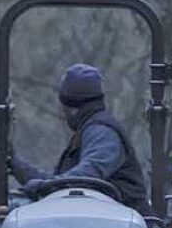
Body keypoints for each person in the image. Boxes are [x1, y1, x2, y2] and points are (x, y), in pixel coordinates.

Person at [10, 63, 151, 214]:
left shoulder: (102, 132)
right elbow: (60, 183)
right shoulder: (86, 132)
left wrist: (42, 186)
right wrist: (15, 164)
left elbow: (85, 176)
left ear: (71, 108)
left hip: (122, 226)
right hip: (96, 221)